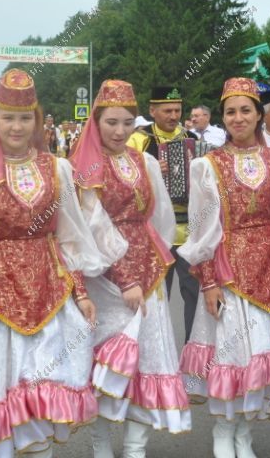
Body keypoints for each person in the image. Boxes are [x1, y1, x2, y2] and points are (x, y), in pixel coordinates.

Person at [0, 69, 106, 457]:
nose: (16, 126)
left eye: (24, 117)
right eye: (8, 117)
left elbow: (70, 235)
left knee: (43, 387)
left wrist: (80, 292)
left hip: (51, 293)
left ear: (37, 120)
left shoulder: (58, 169)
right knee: (5, 386)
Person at [179, 77, 270, 458]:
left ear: (259, 115)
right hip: (229, 272)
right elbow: (201, 229)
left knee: (261, 350)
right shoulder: (206, 166)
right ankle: (224, 432)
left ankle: (244, 433)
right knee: (232, 353)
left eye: (246, 110)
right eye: (230, 112)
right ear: (222, 118)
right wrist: (208, 283)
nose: (238, 118)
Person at [71, 79, 191, 458]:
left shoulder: (145, 161)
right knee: (108, 364)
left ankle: (136, 449)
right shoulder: (85, 166)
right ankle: (101, 445)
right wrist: (124, 277)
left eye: (127, 122)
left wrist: (152, 259)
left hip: (148, 272)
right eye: (111, 122)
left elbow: (160, 218)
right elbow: (92, 225)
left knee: (147, 359)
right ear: (96, 122)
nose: (120, 131)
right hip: (104, 277)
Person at [127, 86, 202, 342]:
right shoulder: (138, 140)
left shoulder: (191, 138)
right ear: (152, 110)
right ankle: (155, 350)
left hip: (189, 229)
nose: (173, 116)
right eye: (167, 110)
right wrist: (149, 171)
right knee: (157, 294)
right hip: (154, 231)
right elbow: (124, 178)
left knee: (194, 292)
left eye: (178, 110)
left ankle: (193, 350)